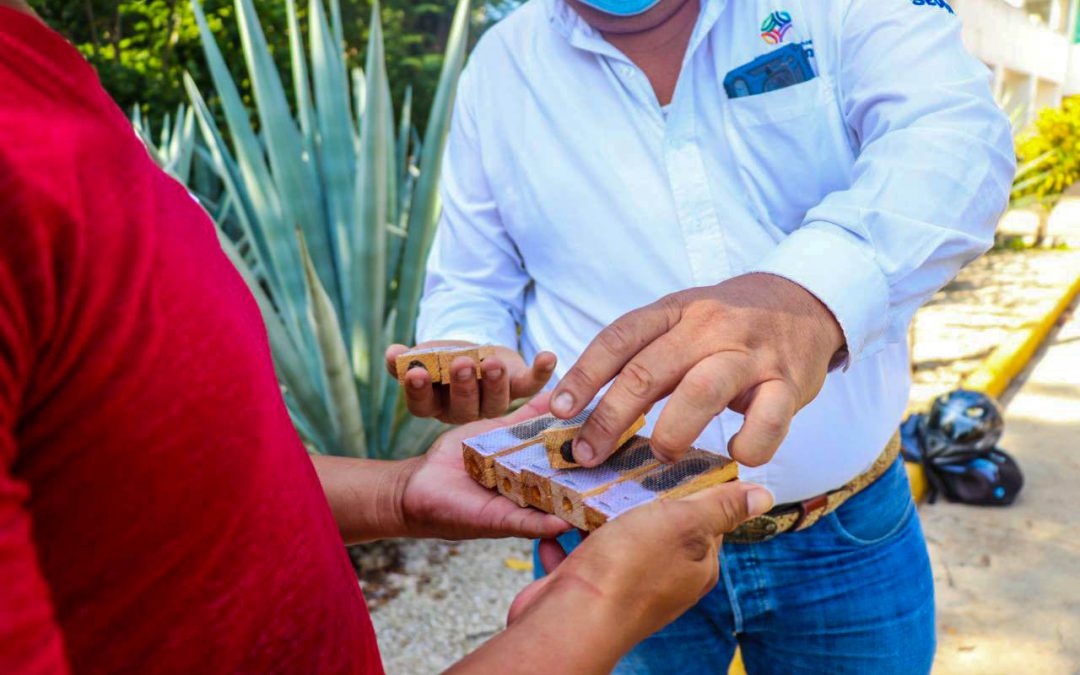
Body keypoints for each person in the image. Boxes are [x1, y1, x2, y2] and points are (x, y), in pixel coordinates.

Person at [0, 3, 775, 673]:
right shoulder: (504, 64)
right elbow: (471, 274)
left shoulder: (41, 73)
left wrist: (394, 491)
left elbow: (141, 476)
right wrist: (594, 605)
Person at [399, 0, 1015, 671]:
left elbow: (957, 134)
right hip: (613, 541)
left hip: (846, 529)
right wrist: (467, 352)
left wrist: (808, 298)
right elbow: (470, 276)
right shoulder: (500, 66)